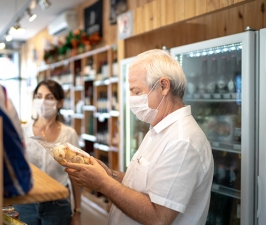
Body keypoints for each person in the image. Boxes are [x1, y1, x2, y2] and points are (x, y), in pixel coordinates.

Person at [64, 49, 214, 225]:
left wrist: (103, 183)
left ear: (164, 86)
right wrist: (109, 174)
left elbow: (158, 217)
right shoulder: (158, 128)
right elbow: (143, 185)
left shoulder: (182, 141)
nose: (132, 99)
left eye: (136, 92)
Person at [14, 80, 82, 225]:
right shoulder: (22, 131)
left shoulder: (68, 134)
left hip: (57, 205)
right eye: (39, 96)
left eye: (49, 97)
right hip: (25, 202)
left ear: (60, 103)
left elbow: (76, 175)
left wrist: (77, 211)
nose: (42, 101)